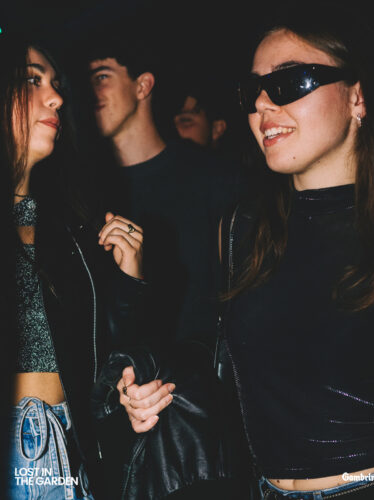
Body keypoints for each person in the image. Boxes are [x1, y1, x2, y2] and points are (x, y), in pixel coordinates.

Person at [119, 2, 374, 499]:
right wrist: (153, 385)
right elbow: (218, 358)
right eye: (252, 91)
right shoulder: (242, 229)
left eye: (289, 82)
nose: (263, 105)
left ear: (357, 96)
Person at [84, 26, 251, 499]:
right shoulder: (85, 196)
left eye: (102, 76)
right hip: (123, 424)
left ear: (143, 85)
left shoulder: (214, 179)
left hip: (204, 428)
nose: (90, 92)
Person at [0, 35, 146, 500]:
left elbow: (112, 359)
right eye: (32, 81)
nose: (56, 98)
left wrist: (129, 282)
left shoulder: (69, 224)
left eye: (56, 84)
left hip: (71, 442)